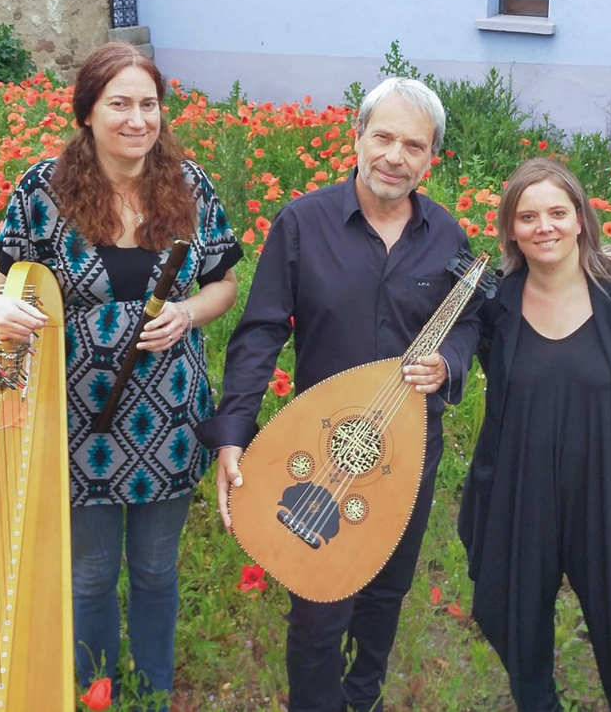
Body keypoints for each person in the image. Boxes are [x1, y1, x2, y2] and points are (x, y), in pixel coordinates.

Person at [195, 77, 480, 712]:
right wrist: (234, 432)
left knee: (386, 591)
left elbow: (468, 319)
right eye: (383, 137)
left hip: (406, 450)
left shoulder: (445, 235)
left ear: (431, 158)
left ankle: (364, 697)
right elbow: (261, 330)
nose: (395, 157)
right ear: (356, 138)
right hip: (321, 445)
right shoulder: (303, 222)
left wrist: (450, 362)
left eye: (414, 145)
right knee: (320, 599)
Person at [0, 41, 241, 709]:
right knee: (93, 574)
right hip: (75, 417)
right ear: (88, 112)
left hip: (171, 418)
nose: (137, 119)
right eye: (119, 103)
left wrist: (187, 312)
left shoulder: (189, 183)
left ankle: (153, 690)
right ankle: (98, 689)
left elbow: (224, 285)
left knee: (156, 569)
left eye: (148, 104)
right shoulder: (42, 190)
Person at [459, 158, 611, 711]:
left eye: (557, 212)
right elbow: (500, 381)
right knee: (519, 625)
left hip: (606, 489)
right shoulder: (497, 304)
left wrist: (598, 426)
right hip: (520, 488)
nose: (544, 226)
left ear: (581, 218)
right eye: (528, 216)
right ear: (511, 228)